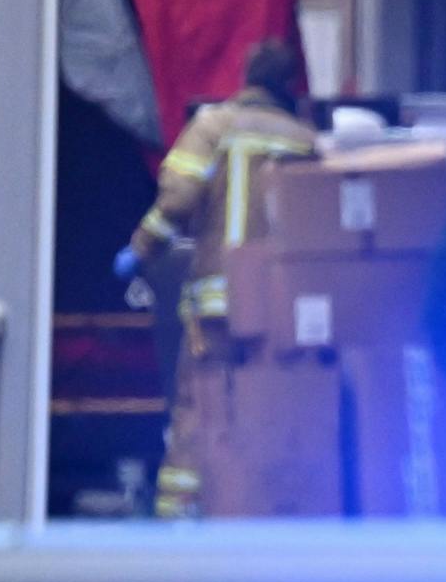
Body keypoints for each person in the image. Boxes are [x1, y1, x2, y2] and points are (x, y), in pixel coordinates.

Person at [115, 39, 316, 518]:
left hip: (216, 308)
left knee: (199, 408)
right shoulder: (304, 140)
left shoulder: (214, 127)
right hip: (277, 311)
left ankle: (181, 514)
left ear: (246, 77)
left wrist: (139, 249)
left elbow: (178, 199)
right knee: (265, 409)